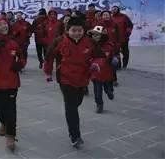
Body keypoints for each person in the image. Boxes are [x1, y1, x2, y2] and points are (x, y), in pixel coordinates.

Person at [44, 17, 99, 148]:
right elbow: (49, 56)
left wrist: (96, 64)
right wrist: (48, 72)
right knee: (71, 107)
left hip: (82, 78)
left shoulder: (89, 42)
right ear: (67, 30)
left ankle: (74, 127)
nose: (76, 33)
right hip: (65, 79)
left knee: (77, 101)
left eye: (79, 30)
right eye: (73, 30)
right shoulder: (59, 41)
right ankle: (75, 135)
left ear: (83, 31)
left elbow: (99, 56)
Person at [0, 16, 26, 151]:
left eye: (5, 24)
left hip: (11, 82)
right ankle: (3, 123)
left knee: (11, 109)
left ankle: (10, 135)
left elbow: (22, 57)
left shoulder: (14, 42)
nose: (4, 26)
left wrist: (19, 64)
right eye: (0, 24)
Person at [87, 26, 117, 113]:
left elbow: (111, 55)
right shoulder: (89, 45)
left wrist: (114, 59)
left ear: (102, 35)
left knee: (107, 86)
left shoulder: (108, 45)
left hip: (106, 71)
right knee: (97, 90)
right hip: (95, 72)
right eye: (93, 35)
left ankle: (109, 92)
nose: (95, 37)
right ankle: (99, 104)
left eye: (97, 35)